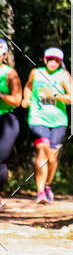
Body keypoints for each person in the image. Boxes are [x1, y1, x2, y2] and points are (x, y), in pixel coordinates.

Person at [22, 47, 73, 204]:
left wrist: (56, 95)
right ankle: (40, 193)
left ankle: (47, 185)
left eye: (56, 60)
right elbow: (28, 86)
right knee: (41, 149)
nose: (53, 62)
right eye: (50, 59)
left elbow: (72, 99)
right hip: (38, 118)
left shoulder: (63, 75)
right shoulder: (36, 73)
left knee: (52, 157)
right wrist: (26, 99)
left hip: (58, 122)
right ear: (45, 59)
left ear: (60, 62)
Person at [0, 38, 23, 205]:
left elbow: (17, 100)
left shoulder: (10, 74)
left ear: (4, 55)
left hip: (5, 119)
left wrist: (1, 95)